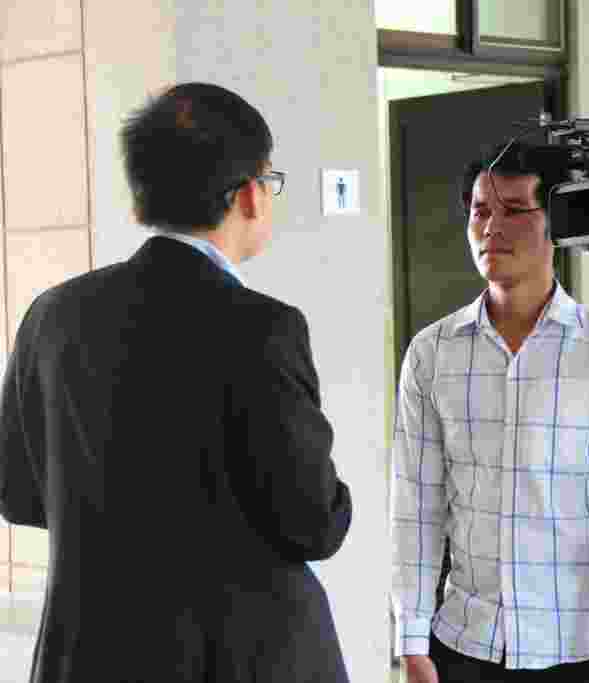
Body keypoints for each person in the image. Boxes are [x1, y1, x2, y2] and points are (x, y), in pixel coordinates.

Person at [0, 83, 352, 682]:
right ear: (248, 195)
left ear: (141, 200)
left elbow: (16, 494)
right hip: (240, 661)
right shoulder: (262, 328)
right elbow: (312, 521)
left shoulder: (52, 315)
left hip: (87, 657)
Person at [391, 142, 589, 682]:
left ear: (556, 224)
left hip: (583, 646)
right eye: (480, 210)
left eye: (514, 210)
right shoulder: (433, 353)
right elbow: (416, 505)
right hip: (467, 643)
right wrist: (410, 640)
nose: (491, 227)